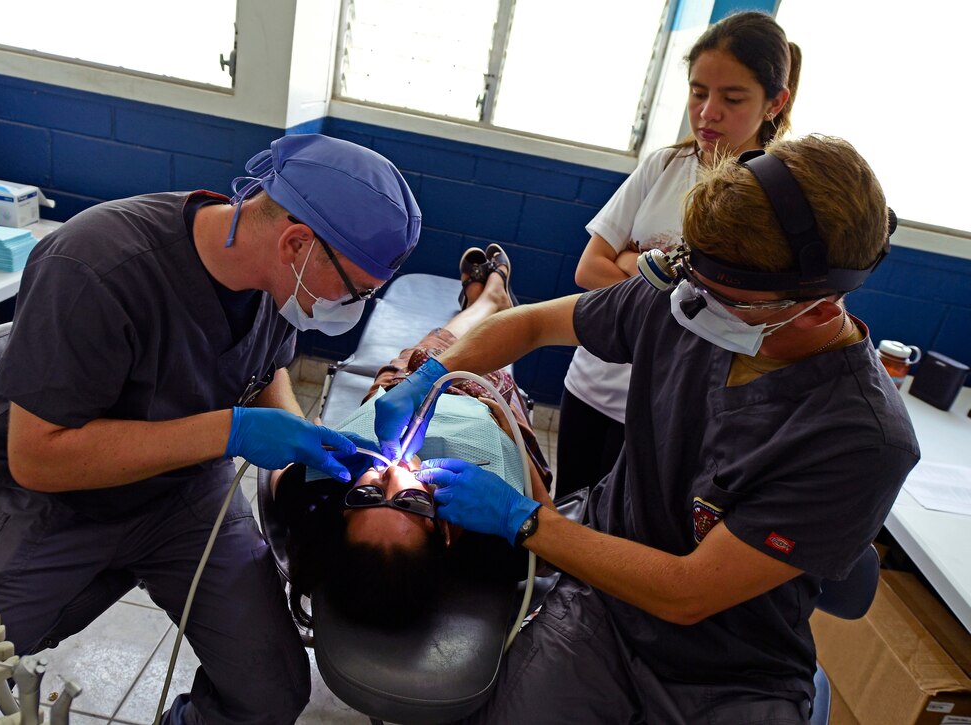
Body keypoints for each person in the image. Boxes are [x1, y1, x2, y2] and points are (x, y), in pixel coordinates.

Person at [374, 135, 920, 723]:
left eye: (725, 299)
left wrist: (527, 520)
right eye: (694, 281)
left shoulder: (861, 438)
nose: (694, 306)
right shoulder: (684, 298)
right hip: (599, 606)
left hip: (727, 668)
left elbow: (688, 592)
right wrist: (430, 375)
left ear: (818, 305)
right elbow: (530, 325)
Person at [0, 134, 421, 725]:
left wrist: (301, 442)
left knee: (270, 691)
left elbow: (267, 363)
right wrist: (233, 431)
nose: (348, 308)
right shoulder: (97, 266)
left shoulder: (277, 283)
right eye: (355, 292)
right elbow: (37, 458)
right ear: (295, 243)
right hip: (51, 501)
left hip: (184, 497)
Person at [556, 11, 801, 499]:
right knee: (563, 523)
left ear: (775, 102)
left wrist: (633, 263)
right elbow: (589, 269)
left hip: (669, 411)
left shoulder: (777, 201)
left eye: (732, 99)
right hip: (592, 383)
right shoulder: (665, 165)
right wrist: (674, 289)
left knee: (621, 547)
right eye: (698, 92)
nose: (708, 112)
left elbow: (734, 321)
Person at [271, 246, 554, 629]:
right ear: (445, 534)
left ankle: (486, 300)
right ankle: (491, 299)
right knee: (489, 353)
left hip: (398, 389)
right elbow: (548, 525)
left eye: (368, 495)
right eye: (410, 503)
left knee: (435, 348)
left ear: (343, 513)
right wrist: (508, 434)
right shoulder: (499, 551)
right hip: (486, 404)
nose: (391, 477)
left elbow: (281, 467)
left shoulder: (310, 499)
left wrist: (305, 436)